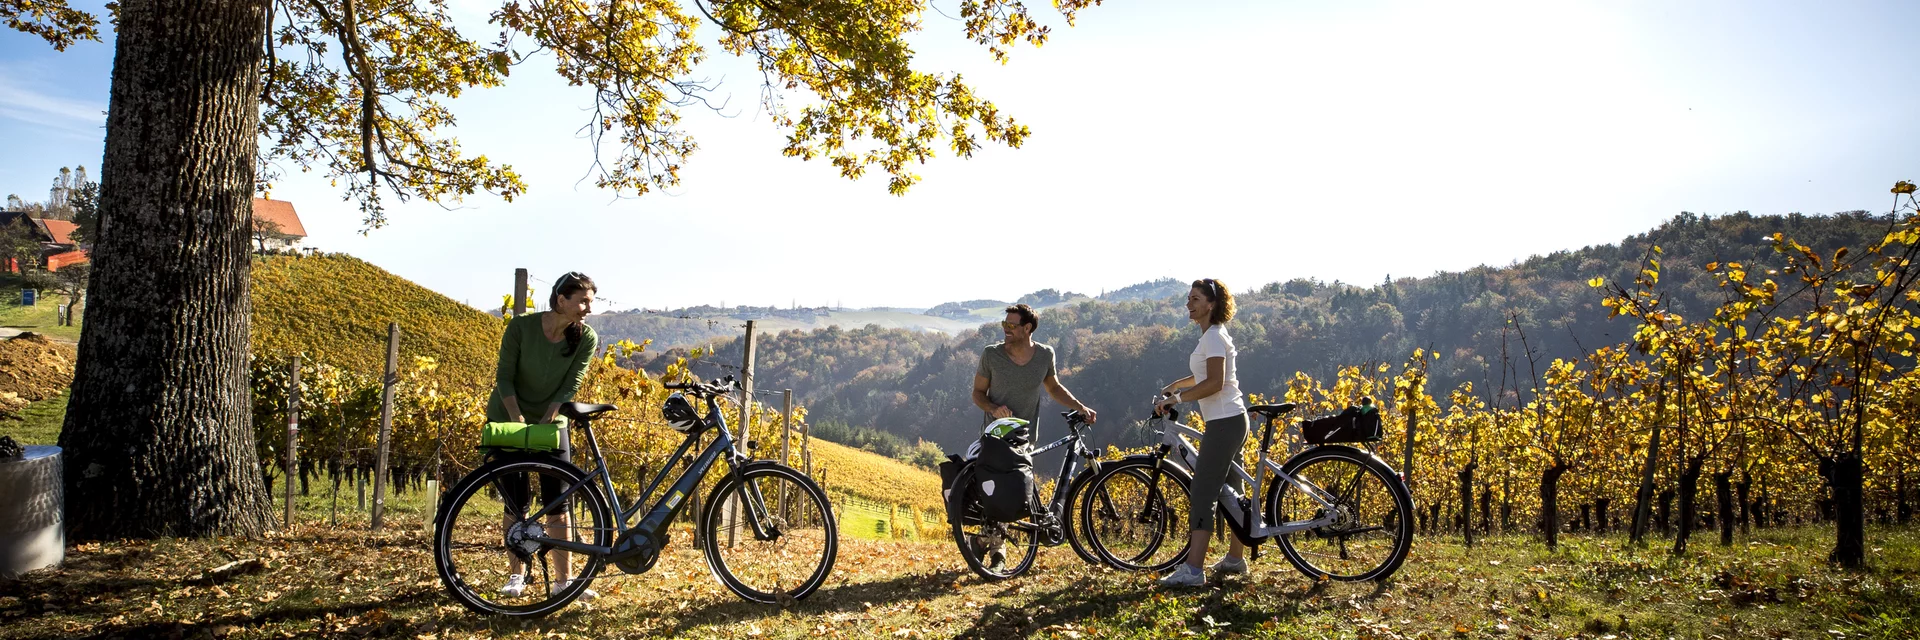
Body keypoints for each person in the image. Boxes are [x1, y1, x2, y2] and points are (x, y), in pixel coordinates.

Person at [492, 272, 600, 600]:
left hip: (551, 421)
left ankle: (563, 583)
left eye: (591, 302)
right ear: (560, 299)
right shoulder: (521, 327)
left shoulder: (586, 338)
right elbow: (504, 376)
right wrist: (518, 419)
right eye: (582, 301)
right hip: (509, 416)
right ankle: (516, 575)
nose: (587, 308)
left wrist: (551, 413)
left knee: (558, 503)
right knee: (516, 500)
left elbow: (572, 381)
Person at [968, 304, 1097, 566]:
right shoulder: (991, 355)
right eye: (1004, 324)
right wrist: (993, 408)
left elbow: (1054, 387)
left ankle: (984, 542)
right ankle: (997, 551)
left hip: (1025, 438)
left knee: (1016, 494)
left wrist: (1079, 406)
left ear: (1028, 328)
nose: (1006, 329)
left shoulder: (1044, 355)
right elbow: (977, 393)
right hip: (995, 436)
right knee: (998, 495)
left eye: (1012, 325)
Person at [1154, 278, 1249, 587]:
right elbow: (1202, 374)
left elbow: (1214, 383)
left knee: (1203, 492)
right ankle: (1235, 559)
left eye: (1195, 299)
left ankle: (1193, 570)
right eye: (1189, 298)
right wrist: (1176, 385)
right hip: (1232, 419)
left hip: (1223, 423)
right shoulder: (1213, 336)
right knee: (1234, 492)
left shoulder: (1212, 338)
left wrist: (1176, 399)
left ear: (1211, 304)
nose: (1189, 304)